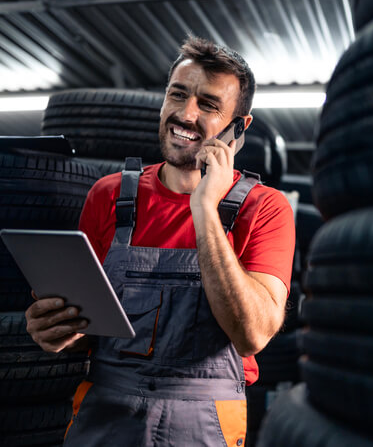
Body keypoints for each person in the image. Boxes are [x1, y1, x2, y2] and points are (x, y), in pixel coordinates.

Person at [25, 35, 295, 446]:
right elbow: (87, 329)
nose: (186, 114)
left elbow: (252, 334)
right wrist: (58, 331)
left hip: (203, 422)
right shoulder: (109, 195)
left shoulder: (266, 208)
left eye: (208, 104)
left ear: (239, 127)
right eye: (178, 94)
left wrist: (205, 208)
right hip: (105, 413)